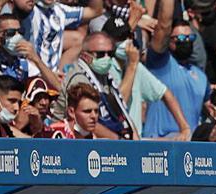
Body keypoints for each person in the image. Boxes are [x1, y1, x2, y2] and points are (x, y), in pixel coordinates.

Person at [143, 0, 205, 140]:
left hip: (190, 146)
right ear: (169, 40)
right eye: (180, 38)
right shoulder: (159, 64)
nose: (186, 41)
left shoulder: (201, 75)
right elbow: (164, 26)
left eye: (190, 38)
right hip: (159, 142)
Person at [56, 32, 136, 139]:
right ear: (85, 55)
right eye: (101, 54)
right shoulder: (78, 78)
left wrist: (136, 143)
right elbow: (86, 119)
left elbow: (121, 112)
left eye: (110, 53)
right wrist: (120, 142)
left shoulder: (106, 77)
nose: (107, 58)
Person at [0, 10, 62, 98]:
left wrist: (36, 59)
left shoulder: (23, 64)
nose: (18, 36)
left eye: (20, 31)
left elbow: (58, 87)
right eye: (11, 32)